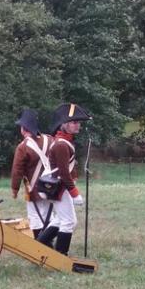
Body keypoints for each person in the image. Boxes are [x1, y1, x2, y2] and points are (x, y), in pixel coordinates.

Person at [47, 103, 91, 255]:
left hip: (61, 186)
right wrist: (74, 193)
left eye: (78, 122)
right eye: (74, 122)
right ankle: (61, 256)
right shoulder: (61, 144)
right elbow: (64, 172)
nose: (78, 125)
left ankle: (42, 243)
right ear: (65, 124)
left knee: (61, 220)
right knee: (68, 222)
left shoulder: (64, 141)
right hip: (60, 187)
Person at [10, 108, 57, 244]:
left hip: (34, 188)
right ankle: (48, 242)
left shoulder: (23, 147)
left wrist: (14, 189)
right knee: (48, 215)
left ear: (23, 129)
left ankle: (40, 244)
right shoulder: (50, 139)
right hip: (52, 185)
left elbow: (17, 170)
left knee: (35, 217)